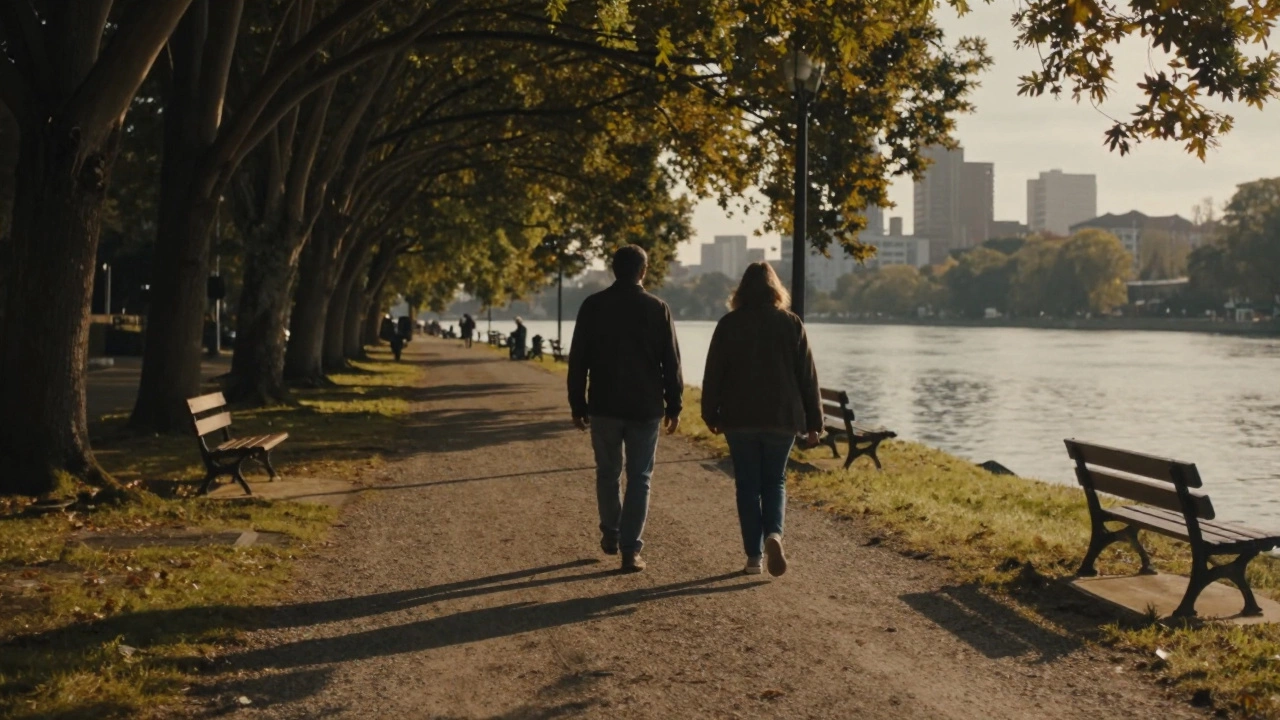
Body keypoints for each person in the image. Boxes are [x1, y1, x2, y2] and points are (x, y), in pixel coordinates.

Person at [701, 262, 821, 577]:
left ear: (741, 292)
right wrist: (814, 423)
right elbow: (807, 377)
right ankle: (774, 535)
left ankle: (754, 558)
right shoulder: (791, 323)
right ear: (775, 291)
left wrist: (709, 412)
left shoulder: (728, 324)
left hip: (739, 417)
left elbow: (714, 372)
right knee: (775, 481)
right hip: (782, 417)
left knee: (747, 485)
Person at [568, 245, 682, 572]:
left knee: (607, 472)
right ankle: (630, 550)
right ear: (643, 271)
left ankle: (611, 531)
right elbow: (671, 362)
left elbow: (578, 361)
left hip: (604, 404)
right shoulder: (658, 308)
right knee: (639, 477)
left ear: (613, 269)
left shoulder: (593, 306)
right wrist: (674, 404)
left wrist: (578, 403)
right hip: (645, 407)